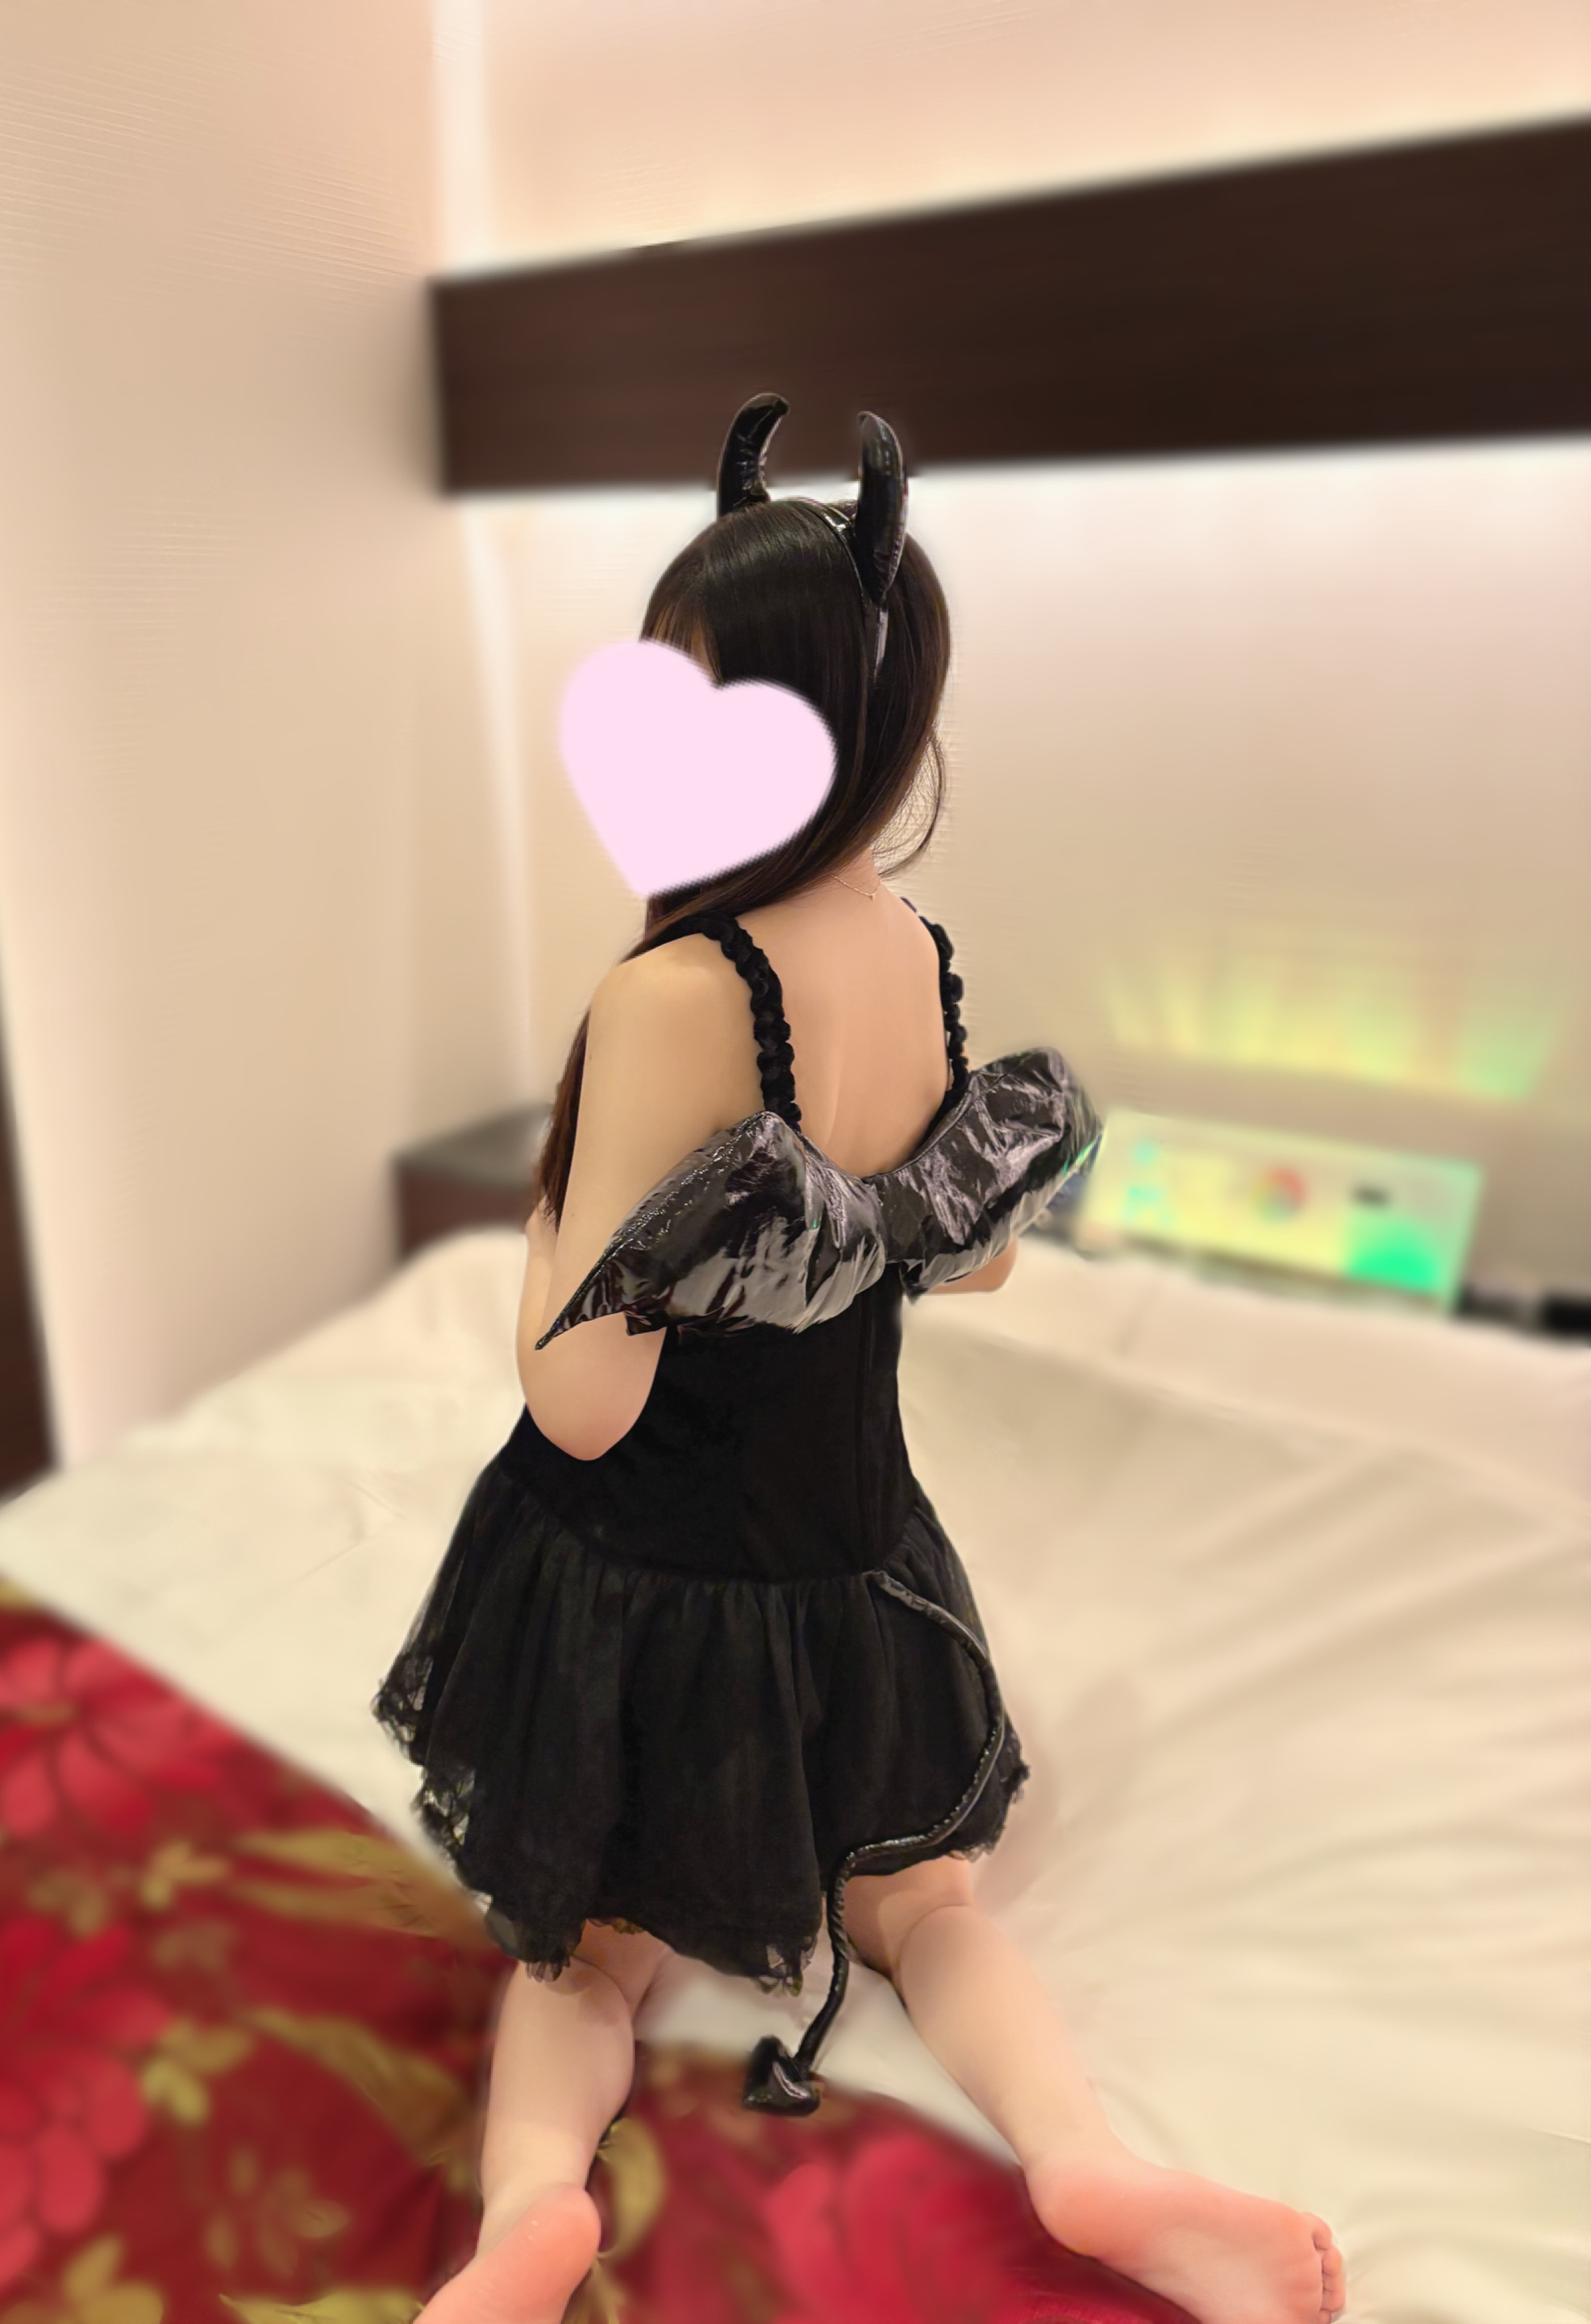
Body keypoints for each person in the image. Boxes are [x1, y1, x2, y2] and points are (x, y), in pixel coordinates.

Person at [376, 396, 1348, 2324]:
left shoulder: (675, 990)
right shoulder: (912, 945)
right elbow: (963, 1257)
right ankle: (1084, 2160)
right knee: (926, 1907)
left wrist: (566, 1234)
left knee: (586, 1955)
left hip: (647, 1584)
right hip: (854, 1566)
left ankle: (527, 2219)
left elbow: (581, 1399)